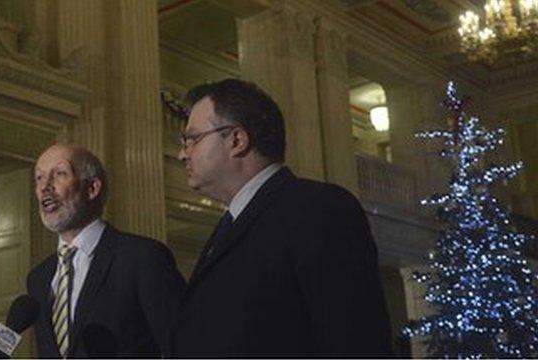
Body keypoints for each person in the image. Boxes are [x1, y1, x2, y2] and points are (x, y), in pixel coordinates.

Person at [170, 79, 393, 357]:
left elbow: (355, 343)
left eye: (192, 139)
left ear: (236, 140)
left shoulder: (318, 209)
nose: (182, 153)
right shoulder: (232, 222)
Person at [27, 143, 185, 358]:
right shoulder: (38, 278)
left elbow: (184, 346)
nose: (45, 186)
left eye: (60, 174)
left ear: (92, 188)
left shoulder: (143, 258)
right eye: (39, 178)